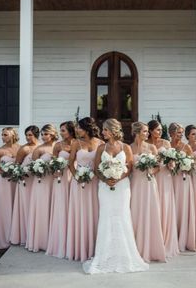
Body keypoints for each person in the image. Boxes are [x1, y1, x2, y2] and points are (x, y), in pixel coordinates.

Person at [83, 118, 149, 273]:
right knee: (106, 217)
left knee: (122, 216)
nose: (103, 132)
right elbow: (96, 168)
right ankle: (104, 256)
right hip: (105, 187)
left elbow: (130, 168)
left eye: (105, 130)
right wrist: (106, 179)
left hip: (122, 187)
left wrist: (117, 178)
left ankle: (124, 255)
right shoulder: (101, 148)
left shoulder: (125, 147)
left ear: (113, 130)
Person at [66, 117, 103, 262]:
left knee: (95, 212)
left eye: (79, 128)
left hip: (95, 182)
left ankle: (95, 247)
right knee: (80, 212)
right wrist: (77, 176)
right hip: (79, 183)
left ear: (86, 128)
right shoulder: (76, 143)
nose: (76, 130)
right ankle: (79, 247)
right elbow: (70, 164)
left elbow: (102, 163)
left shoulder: (100, 143)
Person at [130, 122, 166, 262]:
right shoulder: (129, 147)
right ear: (137, 132)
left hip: (150, 182)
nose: (147, 134)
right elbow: (128, 166)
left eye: (147, 131)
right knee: (136, 212)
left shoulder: (151, 147)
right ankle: (136, 247)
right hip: (136, 183)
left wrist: (151, 171)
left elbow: (158, 167)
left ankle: (151, 247)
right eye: (145, 131)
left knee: (150, 212)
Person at [147, 120, 179, 258]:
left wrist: (171, 162)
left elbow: (173, 161)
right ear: (150, 131)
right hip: (152, 177)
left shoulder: (166, 144)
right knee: (154, 208)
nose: (160, 132)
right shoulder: (146, 145)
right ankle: (153, 241)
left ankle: (165, 241)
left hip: (165, 177)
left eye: (161, 130)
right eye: (158, 130)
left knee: (165, 206)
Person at [26, 124, 58, 252]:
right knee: (42, 208)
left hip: (55, 181)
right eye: (43, 134)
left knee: (54, 208)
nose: (44, 137)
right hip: (42, 182)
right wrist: (38, 169)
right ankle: (40, 241)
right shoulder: (38, 149)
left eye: (46, 134)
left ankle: (54, 240)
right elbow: (33, 168)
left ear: (53, 134)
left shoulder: (58, 146)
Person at [46, 121, 76, 258]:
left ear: (71, 131)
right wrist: (55, 170)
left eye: (63, 130)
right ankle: (61, 240)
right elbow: (53, 163)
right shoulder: (58, 145)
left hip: (76, 177)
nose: (61, 133)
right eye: (60, 130)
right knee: (62, 207)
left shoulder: (79, 143)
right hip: (62, 178)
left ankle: (74, 239)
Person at [0, 127, 20, 249]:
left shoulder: (20, 148)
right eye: (2, 135)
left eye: (5, 134)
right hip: (3, 182)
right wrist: (4, 172)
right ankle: (3, 237)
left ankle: (17, 235)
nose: (3, 137)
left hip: (16, 181)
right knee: (4, 208)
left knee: (16, 207)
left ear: (12, 135)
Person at [10, 125, 40, 245]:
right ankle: (25, 235)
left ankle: (36, 234)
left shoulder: (41, 147)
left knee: (36, 207)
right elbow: (17, 165)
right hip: (24, 181)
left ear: (36, 135)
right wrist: (20, 173)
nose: (28, 137)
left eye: (30, 135)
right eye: (26, 135)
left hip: (37, 180)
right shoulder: (23, 149)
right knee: (26, 206)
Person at [169, 123, 196, 252]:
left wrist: (185, 165)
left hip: (183, 180)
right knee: (171, 206)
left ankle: (183, 237)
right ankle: (171, 237)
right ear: (171, 133)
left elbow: (192, 166)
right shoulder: (167, 145)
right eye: (179, 132)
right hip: (170, 179)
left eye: (181, 132)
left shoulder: (186, 147)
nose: (181, 135)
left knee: (182, 206)